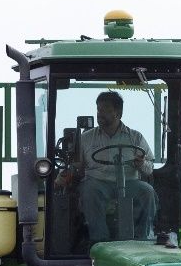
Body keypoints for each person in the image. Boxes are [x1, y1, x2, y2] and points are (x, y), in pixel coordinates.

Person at [55, 91, 156, 242]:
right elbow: (76, 166)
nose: (100, 113)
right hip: (98, 182)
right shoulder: (86, 138)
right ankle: (100, 241)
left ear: (118, 113)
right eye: (98, 109)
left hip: (129, 182)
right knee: (89, 190)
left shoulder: (136, 137)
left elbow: (149, 168)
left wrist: (142, 164)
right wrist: (65, 174)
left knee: (147, 191)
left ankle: (142, 238)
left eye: (105, 109)